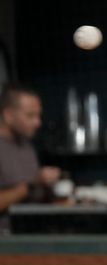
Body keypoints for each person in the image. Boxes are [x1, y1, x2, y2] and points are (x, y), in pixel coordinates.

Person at [0, 83, 61, 231]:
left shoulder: (26, 145)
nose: (37, 122)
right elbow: (28, 187)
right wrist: (31, 185)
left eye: (38, 115)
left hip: (33, 234)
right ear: (8, 115)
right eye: (30, 116)